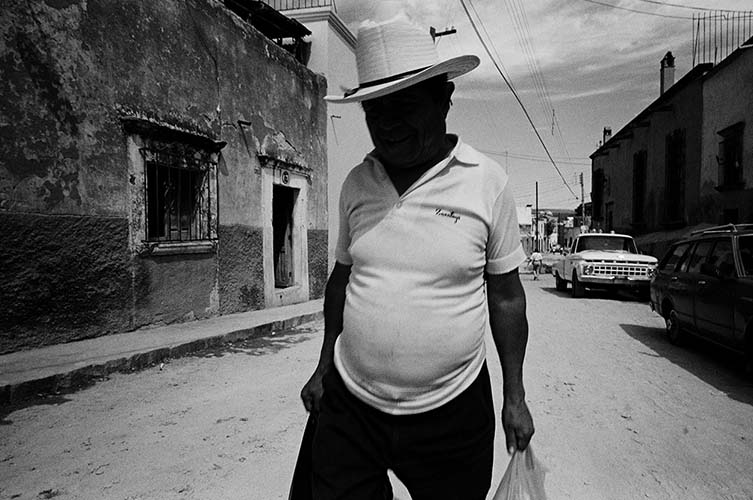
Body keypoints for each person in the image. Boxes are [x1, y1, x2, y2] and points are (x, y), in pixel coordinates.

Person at [299, 16, 534, 500]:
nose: (386, 125)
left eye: (403, 106)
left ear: (443, 100)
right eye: (374, 112)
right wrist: (324, 365)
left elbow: (507, 299)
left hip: (452, 413)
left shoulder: (486, 183)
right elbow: (341, 282)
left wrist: (515, 396)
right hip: (352, 407)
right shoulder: (357, 184)